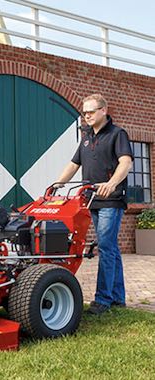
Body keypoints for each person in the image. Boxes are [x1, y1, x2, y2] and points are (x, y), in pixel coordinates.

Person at [55, 94, 133, 315]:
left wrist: (112, 183)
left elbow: (126, 162)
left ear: (103, 111)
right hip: (91, 199)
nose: (86, 115)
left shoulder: (118, 134)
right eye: (84, 112)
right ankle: (118, 298)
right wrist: (57, 184)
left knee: (105, 247)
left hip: (111, 199)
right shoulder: (87, 137)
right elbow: (73, 164)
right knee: (111, 249)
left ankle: (102, 300)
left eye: (90, 111)